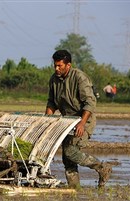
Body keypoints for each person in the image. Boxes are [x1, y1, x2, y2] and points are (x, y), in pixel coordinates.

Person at [45, 49, 112, 189]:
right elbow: (51, 102)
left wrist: (81, 123)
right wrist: (47, 122)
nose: (56, 69)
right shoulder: (54, 79)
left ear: (68, 65)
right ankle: (74, 189)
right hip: (67, 121)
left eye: (60, 66)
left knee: (70, 151)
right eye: (55, 66)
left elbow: (90, 102)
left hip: (84, 119)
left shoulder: (79, 77)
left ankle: (101, 167)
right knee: (67, 158)